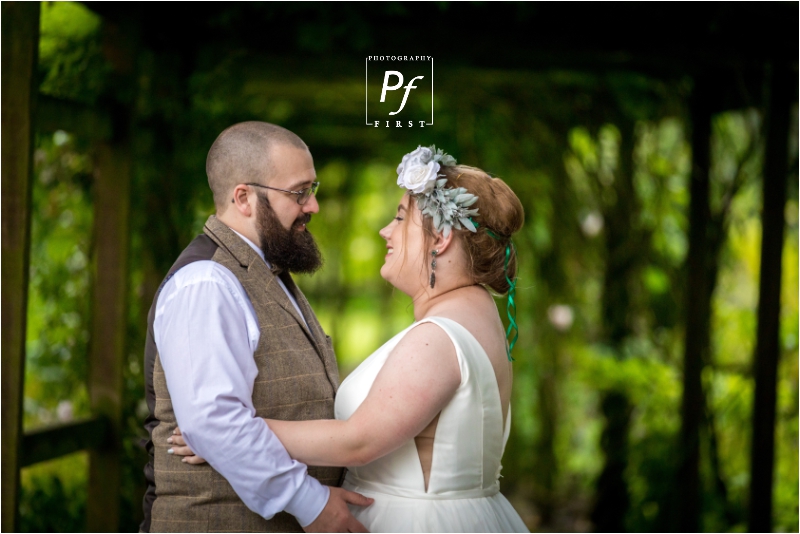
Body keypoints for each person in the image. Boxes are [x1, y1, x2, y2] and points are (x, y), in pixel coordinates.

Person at [172, 145, 530, 532]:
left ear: (440, 237)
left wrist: (225, 435)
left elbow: (358, 442)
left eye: (400, 217)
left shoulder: (438, 337)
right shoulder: (479, 314)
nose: (386, 231)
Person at [140, 121, 373, 533]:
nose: (313, 206)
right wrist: (312, 503)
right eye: (299, 192)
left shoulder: (266, 270)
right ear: (244, 198)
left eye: (312, 190)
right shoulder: (206, 283)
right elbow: (215, 421)